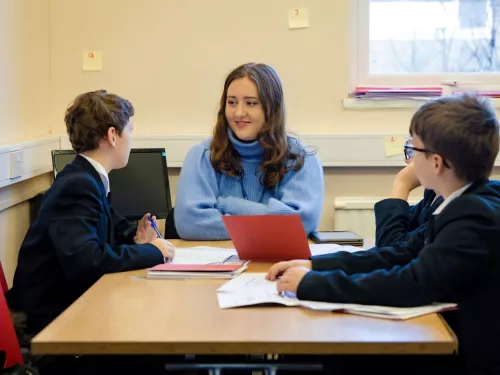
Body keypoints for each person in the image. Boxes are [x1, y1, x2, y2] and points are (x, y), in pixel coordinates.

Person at [267, 94, 500, 375]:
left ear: (436, 163)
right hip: (450, 338)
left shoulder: (473, 216)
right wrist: (315, 265)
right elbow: (399, 252)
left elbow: (414, 282)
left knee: (330, 354)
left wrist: (313, 284)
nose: (410, 158)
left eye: (413, 148)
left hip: (466, 356)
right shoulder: (462, 203)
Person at [7, 90, 175, 337]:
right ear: (112, 136)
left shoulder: (87, 177)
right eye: (130, 130)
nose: (131, 138)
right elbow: (86, 260)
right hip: (51, 320)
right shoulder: (79, 185)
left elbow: (106, 232)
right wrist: (152, 252)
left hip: (68, 306)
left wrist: (136, 239)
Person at [174, 63, 324, 240]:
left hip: (278, 264)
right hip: (219, 262)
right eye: (232, 102)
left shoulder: (300, 159)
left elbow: (300, 224)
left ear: (272, 109)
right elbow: (190, 224)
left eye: (251, 103)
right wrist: (271, 220)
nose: (238, 113)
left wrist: (228, 204)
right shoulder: (202, 156)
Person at [374, 139, 444, 247]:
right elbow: (393, 230)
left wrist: (402, 183)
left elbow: (390, 249)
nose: (407, 161)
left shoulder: (454, 206)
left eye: (412, 150)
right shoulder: (433, 195)